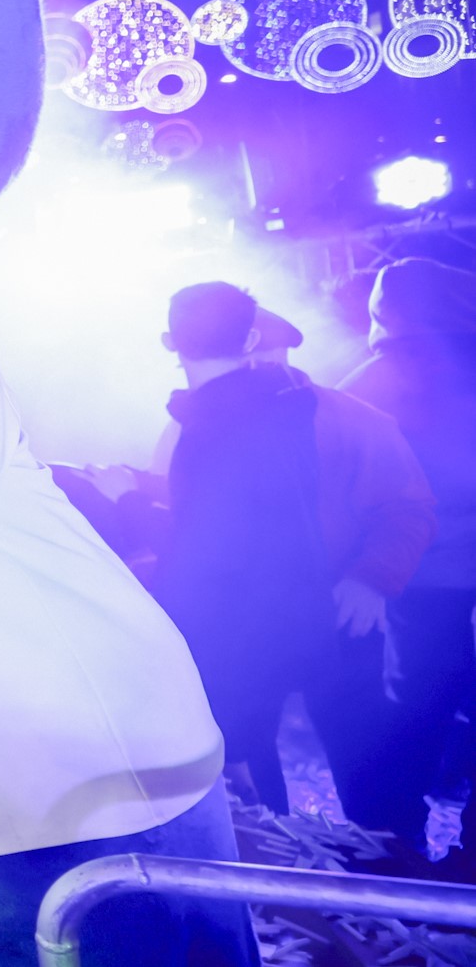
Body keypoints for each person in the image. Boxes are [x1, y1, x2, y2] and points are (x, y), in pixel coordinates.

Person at [150, 284, 431, 844]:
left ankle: (398, 863)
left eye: (265, 360)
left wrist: (370, 579)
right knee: (247, 751)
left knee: (365, 749)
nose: (255, 371)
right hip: (248, 622)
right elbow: (181, 519)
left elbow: (409, 506)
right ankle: (281, 866)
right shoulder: (191, 425)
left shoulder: (350, 418)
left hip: (338, 612)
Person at [343, 258, 476, 870]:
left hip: (420, 578)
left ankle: (404, 849)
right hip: (434, 574)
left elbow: (343, 486)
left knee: (415, 706)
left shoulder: (367, 385)